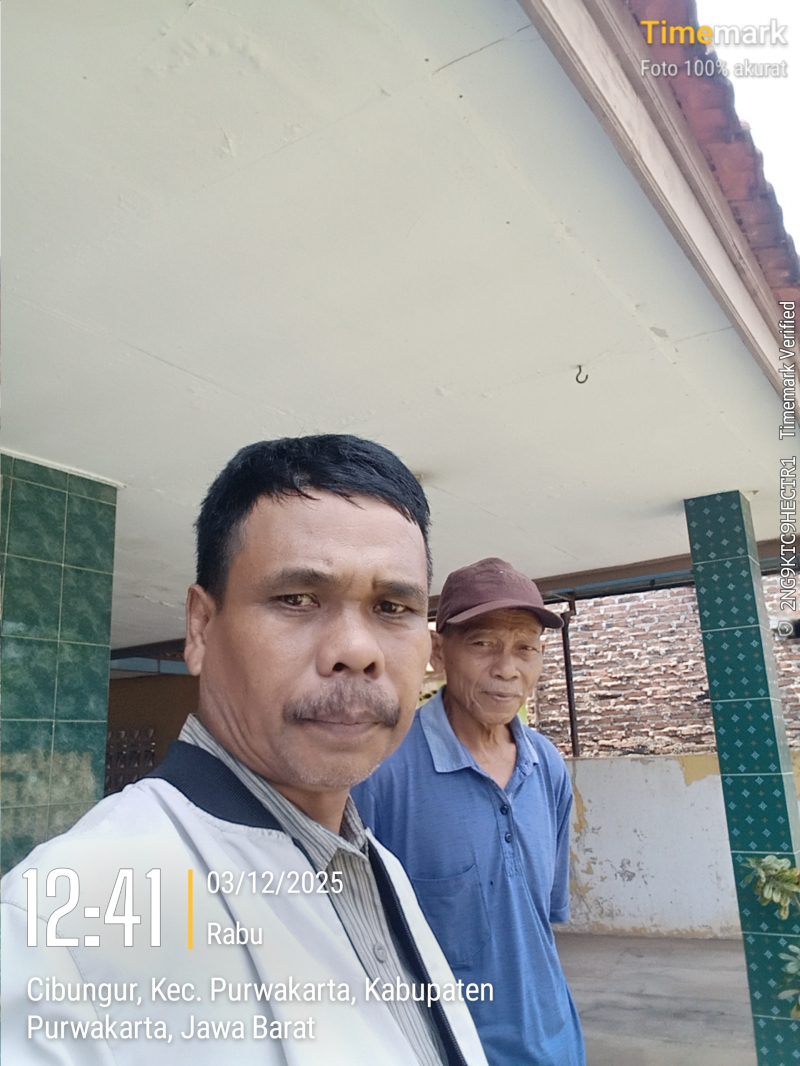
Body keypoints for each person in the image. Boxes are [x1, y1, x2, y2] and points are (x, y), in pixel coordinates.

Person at [1, 435, 488, 1066]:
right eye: (298, 599)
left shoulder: (376, 868)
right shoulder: (57, 929)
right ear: (201, 629)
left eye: (392, 607)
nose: (357, 650)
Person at [353, 557, 586, 1066]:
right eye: (483, 644)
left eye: (526, 648)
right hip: (442, 1048)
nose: (507, 669)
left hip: (556, 1044)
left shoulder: (545, 764)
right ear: (438, 652)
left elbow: (539, 920)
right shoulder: (381, 769)